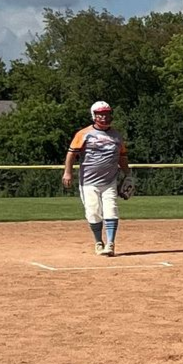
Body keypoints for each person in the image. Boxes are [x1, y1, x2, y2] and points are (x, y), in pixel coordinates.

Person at [61, 100, 129, 257]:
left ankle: (110, 244)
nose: (104, 117)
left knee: (111, 210)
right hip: (88, 182)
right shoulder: (83, 134)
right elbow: (71, 153)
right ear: (94, 116)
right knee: (93, 212)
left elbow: (122, 156)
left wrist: (128, 174)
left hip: (109, 181)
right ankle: (99, 242)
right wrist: (68, 172)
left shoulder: (116, 135)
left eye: (107, 114)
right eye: (100, 115)